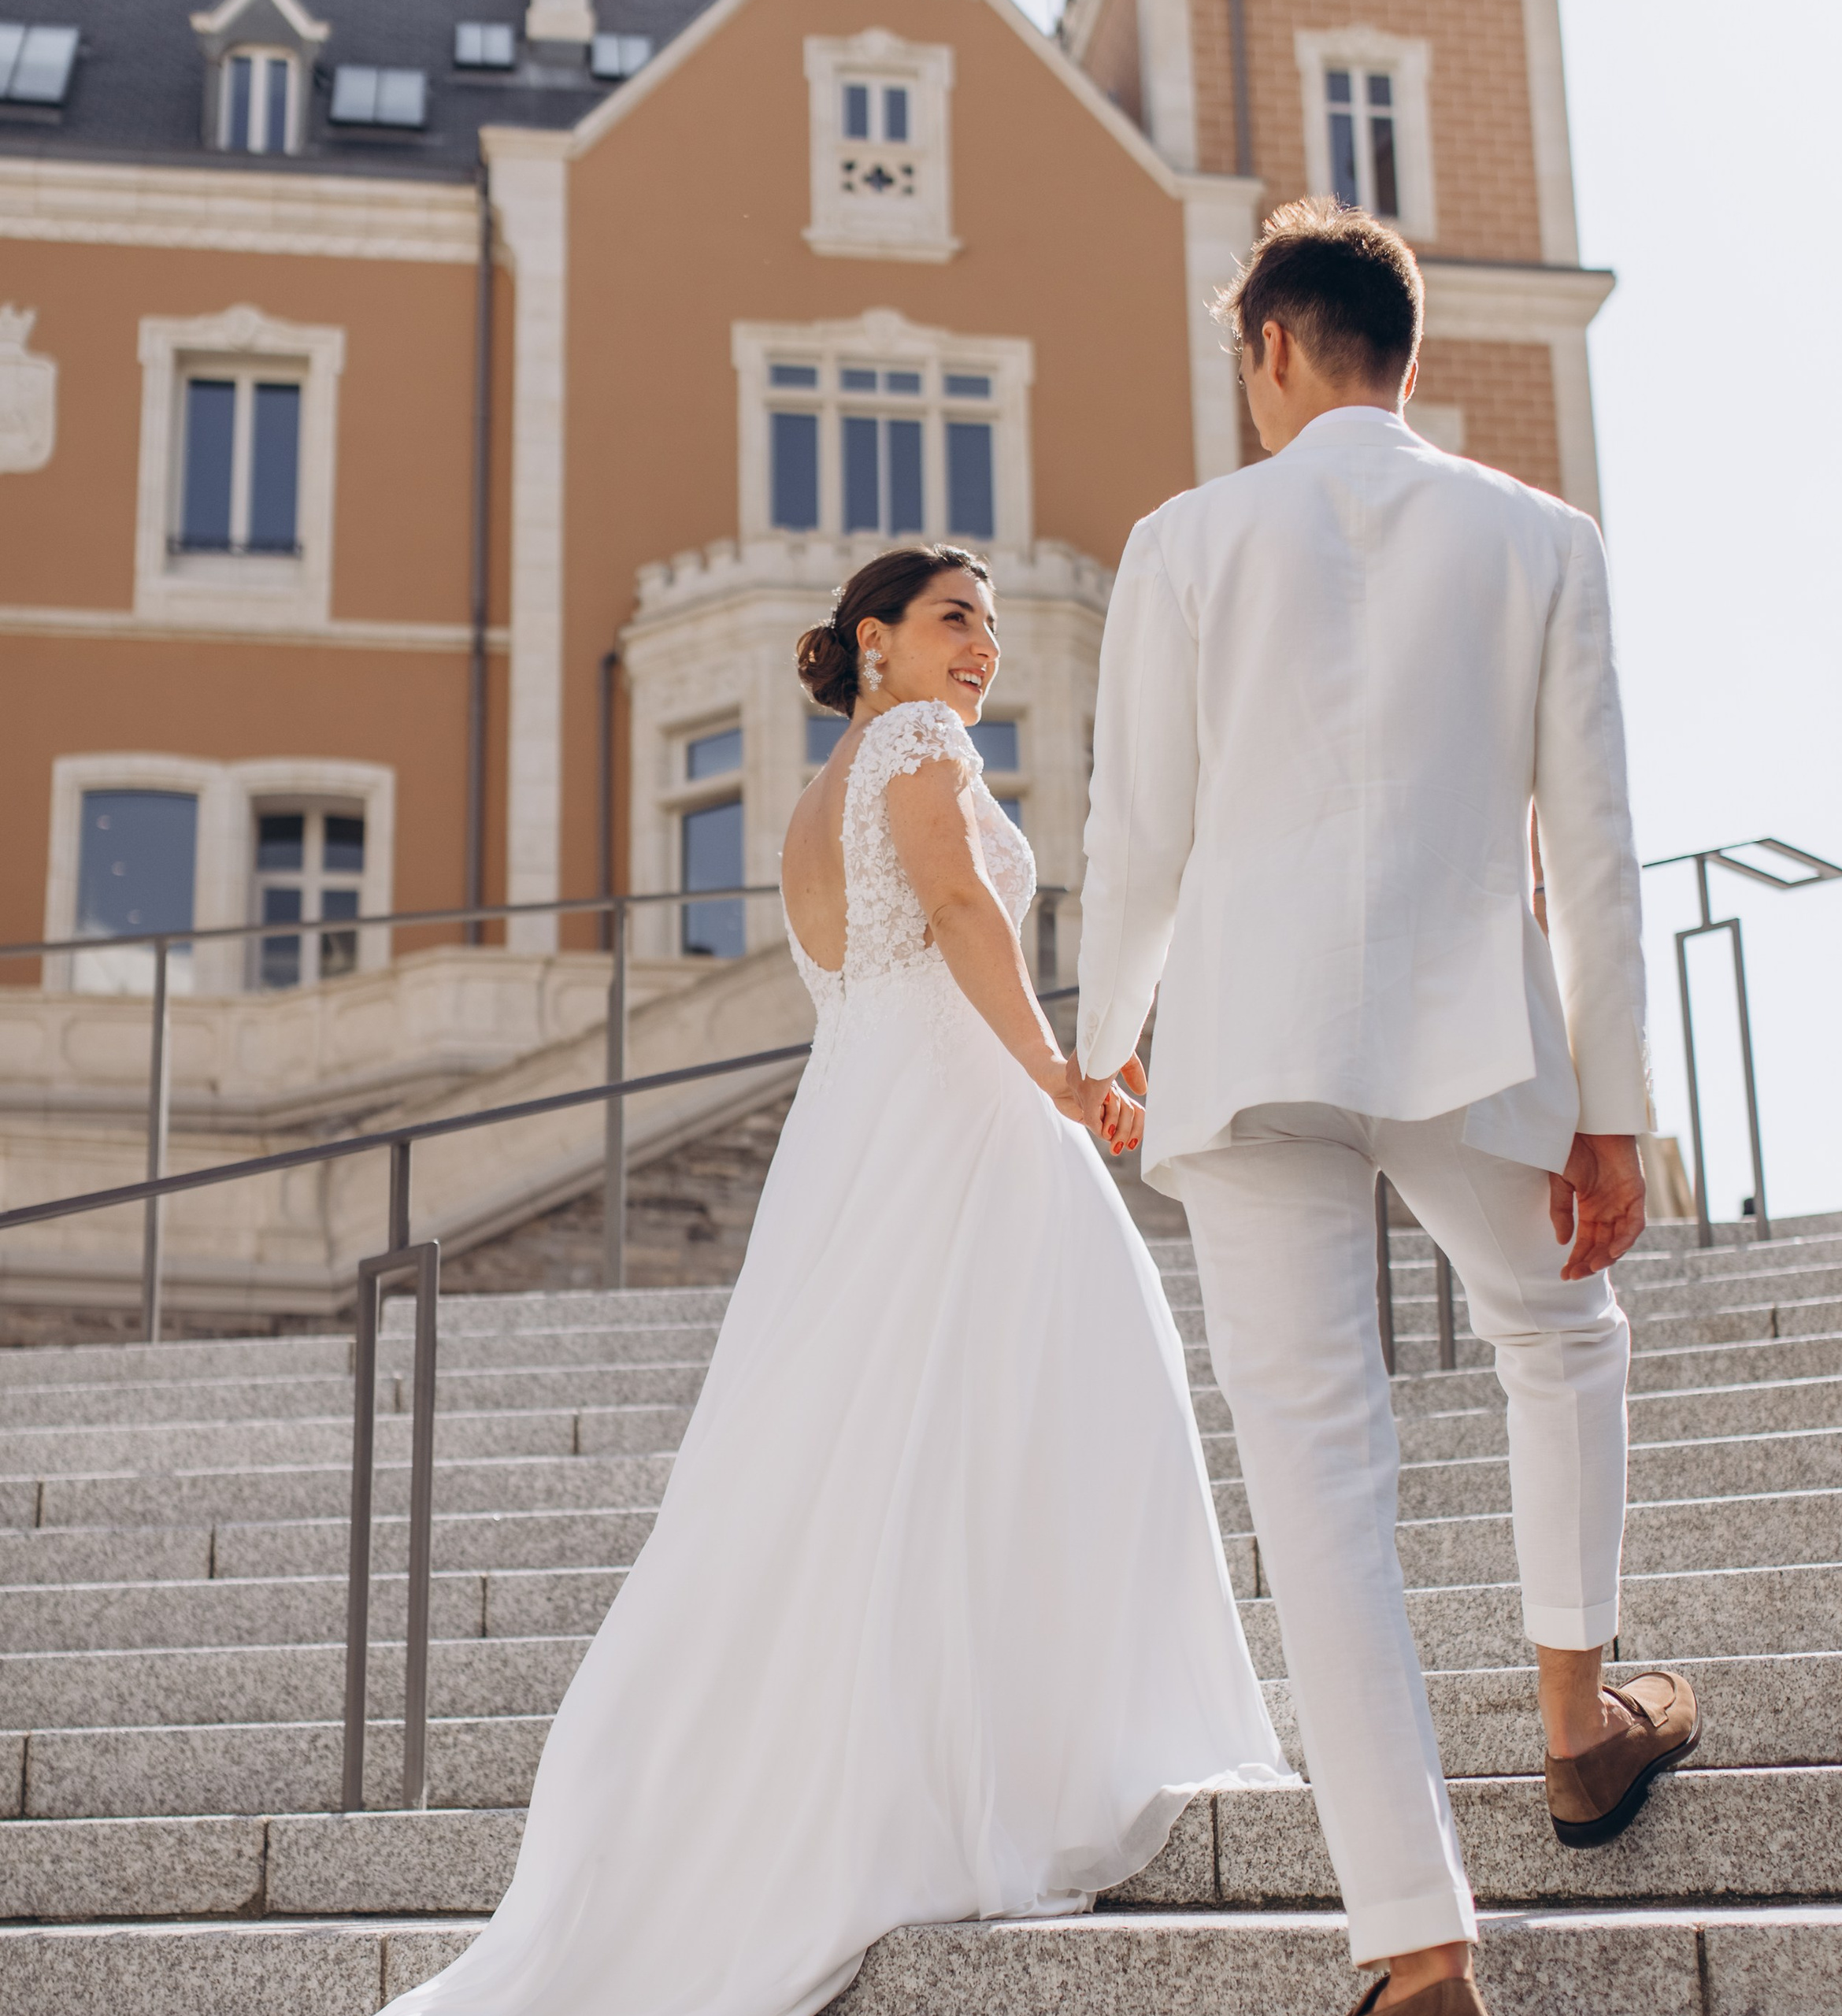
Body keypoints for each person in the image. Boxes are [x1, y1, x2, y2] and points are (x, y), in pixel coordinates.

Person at [382, 543, 1295, 2016]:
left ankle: (926, 1757)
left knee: (871, 1446)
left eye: (992, 627)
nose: (983, 648)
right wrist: (1064, 1074)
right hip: (957, 1114)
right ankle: (1042, 1752)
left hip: (858, 1123)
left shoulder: (817, 800)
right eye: (955, 620)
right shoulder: (921, 744)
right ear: (875, 640)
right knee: (1048, 1401)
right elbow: (961, 911)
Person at [1070, 199, 1701, 2015]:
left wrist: (1104, 1041)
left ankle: (1415, 1944)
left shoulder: (1180, 541)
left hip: (1243, 1040)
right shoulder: (1541, 538)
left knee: (1313, 1475)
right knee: (1560, 1335)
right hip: (1466, 1027)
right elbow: (1594, 847)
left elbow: (1137, 829)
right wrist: (1610, 1106)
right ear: (1405, 353)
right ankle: (1575, 1723)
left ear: (1269, 346)